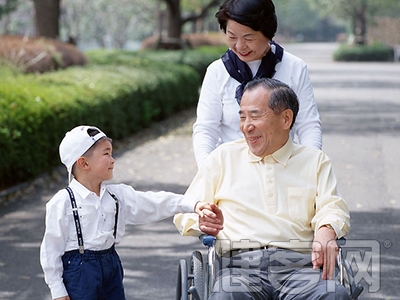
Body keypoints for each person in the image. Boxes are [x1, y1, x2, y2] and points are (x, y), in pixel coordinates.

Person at [174, 78, 351, 299]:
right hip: (238, 270)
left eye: (255, 116)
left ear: (286, 118)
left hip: (301, 270)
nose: (246, 126)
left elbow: (332, 206)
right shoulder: (223, 158)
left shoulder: (314, 161)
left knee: (334, 295)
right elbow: (186, 209)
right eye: (242, 117)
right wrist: (202, 219)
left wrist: (327, 229)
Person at [40, 125, 208, 300]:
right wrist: (57, 290)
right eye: (106, 154)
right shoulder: (63, 202)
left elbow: (154, 202)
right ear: (83, 163)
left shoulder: (116, 195)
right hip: (80, 273)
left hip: (110, 264)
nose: (112, 160)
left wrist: (192, 205)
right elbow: (51, 249)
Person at [193, 0, 322, 168]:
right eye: (231, 37)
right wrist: (207, 171)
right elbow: (205, 129)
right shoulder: (217, 71)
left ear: (268, 33)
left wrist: (310, 168)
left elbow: (308, 125)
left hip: (283, 168)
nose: (240, 46)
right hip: (232, 172)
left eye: (249, 38)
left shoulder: (294, 67)